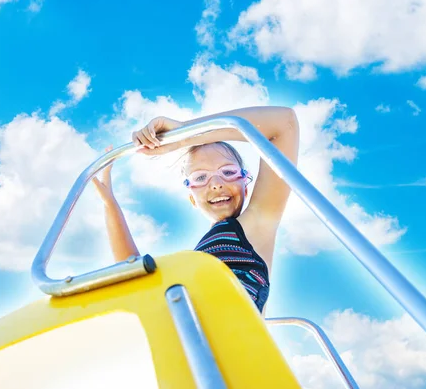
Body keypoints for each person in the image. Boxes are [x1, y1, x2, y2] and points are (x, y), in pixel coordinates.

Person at [93, 106, 300, 314]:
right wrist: (110, 205)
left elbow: (284, 123)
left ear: (245, 185)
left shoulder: (257, 223)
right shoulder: (199, 261)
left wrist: (184, 134)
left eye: (228, 172)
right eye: (201, 177)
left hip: (237, 341)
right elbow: (137, 279)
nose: (216, 183)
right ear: (192, 198)